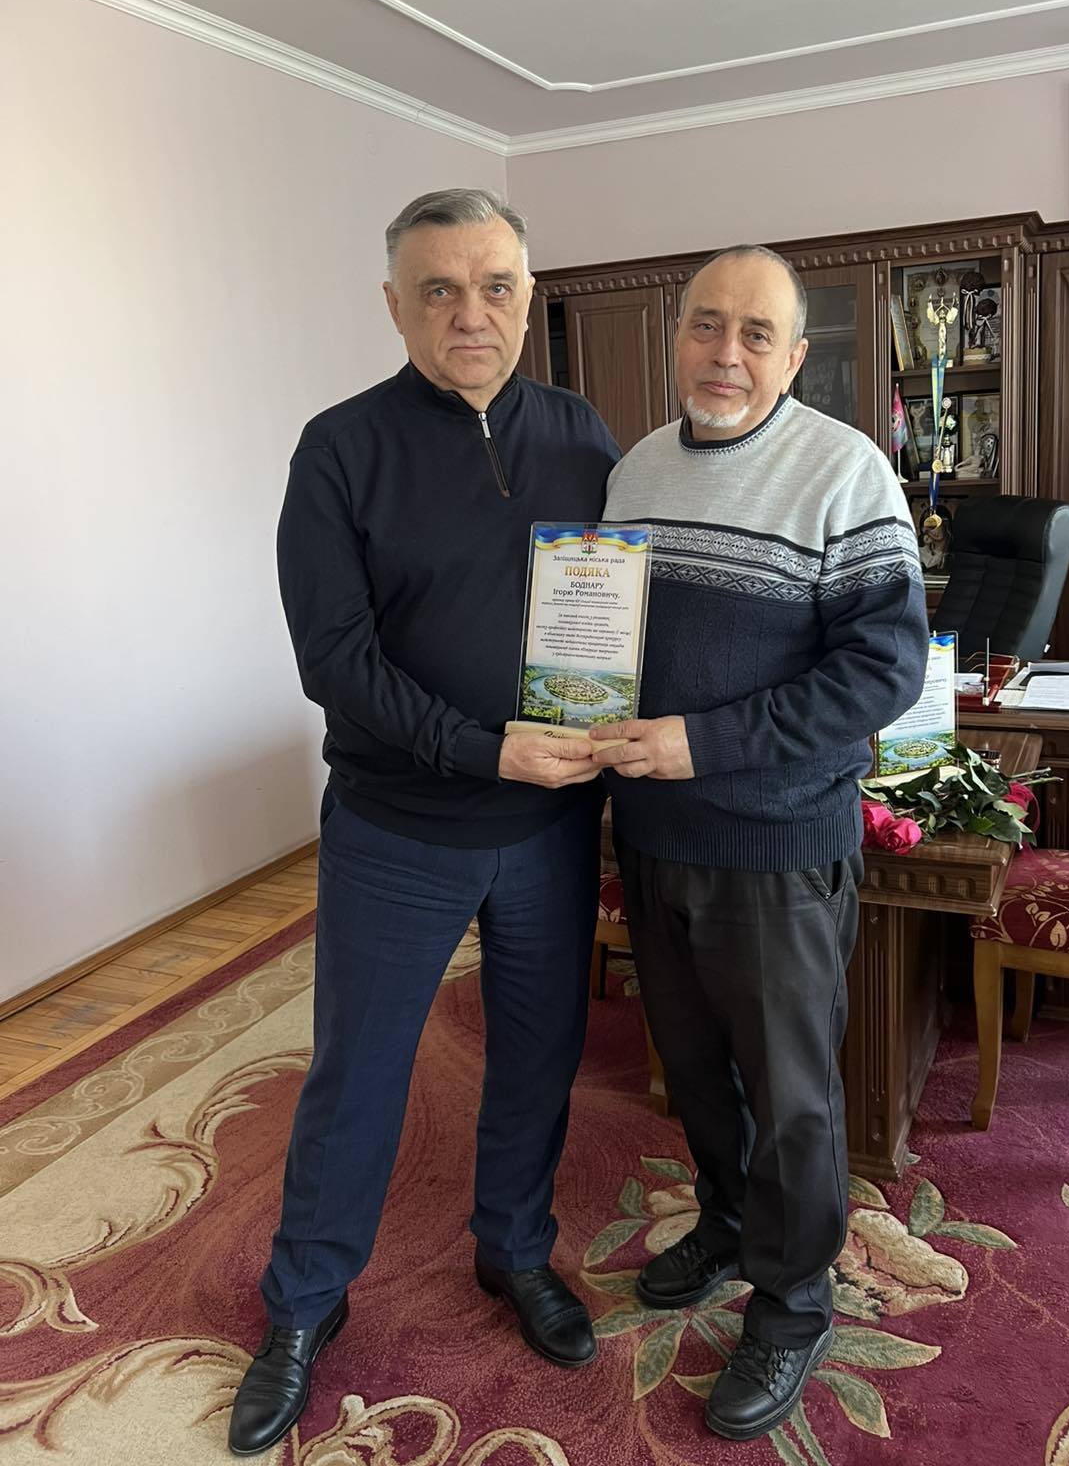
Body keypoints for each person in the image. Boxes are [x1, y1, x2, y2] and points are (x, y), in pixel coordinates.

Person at [228, 190, 619, 1457]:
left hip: (551, 825)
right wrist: (479, 746)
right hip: (397, 824)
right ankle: (305, 1300)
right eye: (439, 289)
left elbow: (608, 615)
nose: (471, 313)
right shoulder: (339, 449)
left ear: (529, 296)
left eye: (496, 285)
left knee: (537, 1052)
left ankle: (515, 1250)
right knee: (359, 1069)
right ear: (394, 305)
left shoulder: (582, 434)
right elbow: (335, 661)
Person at [592, 245, 927, 1443]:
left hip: (780, 843)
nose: (724, 354)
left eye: (755, 333)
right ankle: (731, 1223)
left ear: (795, 356)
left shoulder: (845, 471)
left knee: (791, 1094)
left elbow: (883, 670)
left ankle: (793, 1299)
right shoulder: (633, 471)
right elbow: (606, 643)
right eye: (705, 325)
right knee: (692, 1065)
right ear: (677, 336)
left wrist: (704, 742)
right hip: (654, 834)